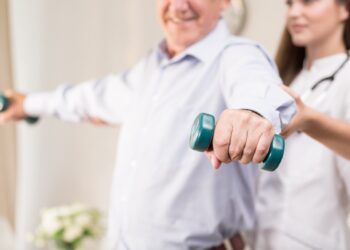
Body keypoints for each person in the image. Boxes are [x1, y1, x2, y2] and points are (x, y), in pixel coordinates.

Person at [0, 0, 295, 249]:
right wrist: (26, 104)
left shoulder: (238, 54)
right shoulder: (149, 69)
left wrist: (251, 113)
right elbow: (89, 99)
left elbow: (256, 85)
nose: (179, 6)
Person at [253, 0, 350, 249]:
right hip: (262, 237)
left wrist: (308, 120)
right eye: (290, 4)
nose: (294, 12)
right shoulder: (288, 78)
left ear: (345, 9)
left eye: (307, 2)